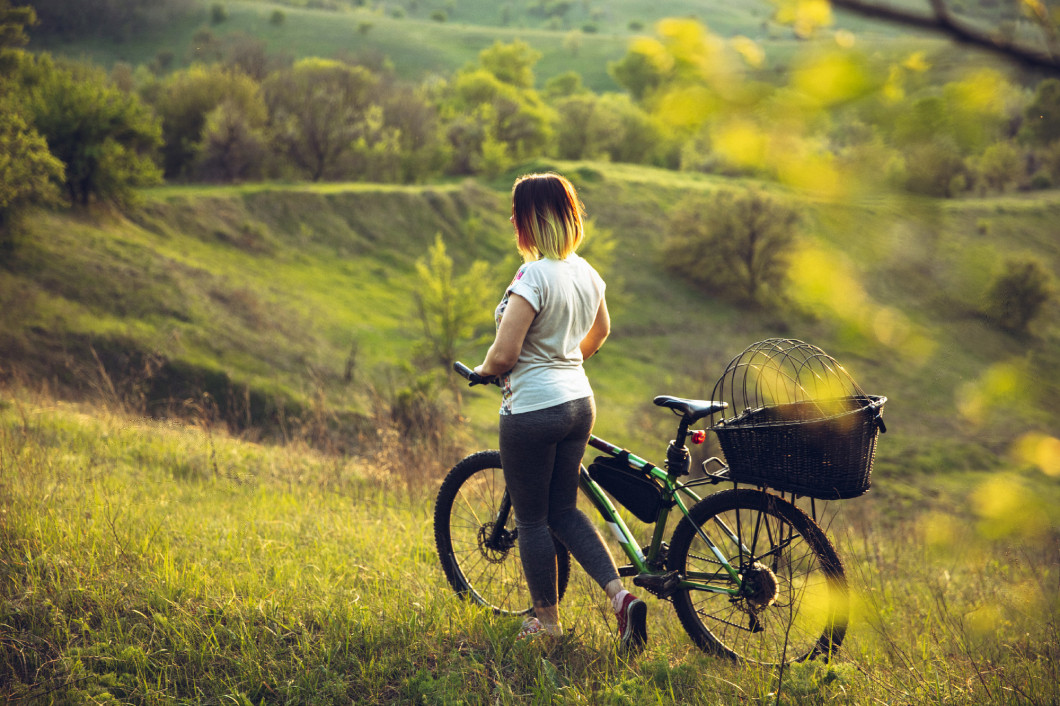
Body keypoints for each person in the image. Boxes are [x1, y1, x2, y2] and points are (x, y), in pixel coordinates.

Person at [473, 172, 647, 652]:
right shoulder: (585, 271)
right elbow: (601, 332)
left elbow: (505, 355)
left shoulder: (533, 276)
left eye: (516, 215)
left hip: (532, 409)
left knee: (531, 520)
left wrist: (484, 370)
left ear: (528, 220)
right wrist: (567, 362)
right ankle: (621, 598)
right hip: (579, 403)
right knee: (564, 510)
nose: (513, 222)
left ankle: (546, 622)